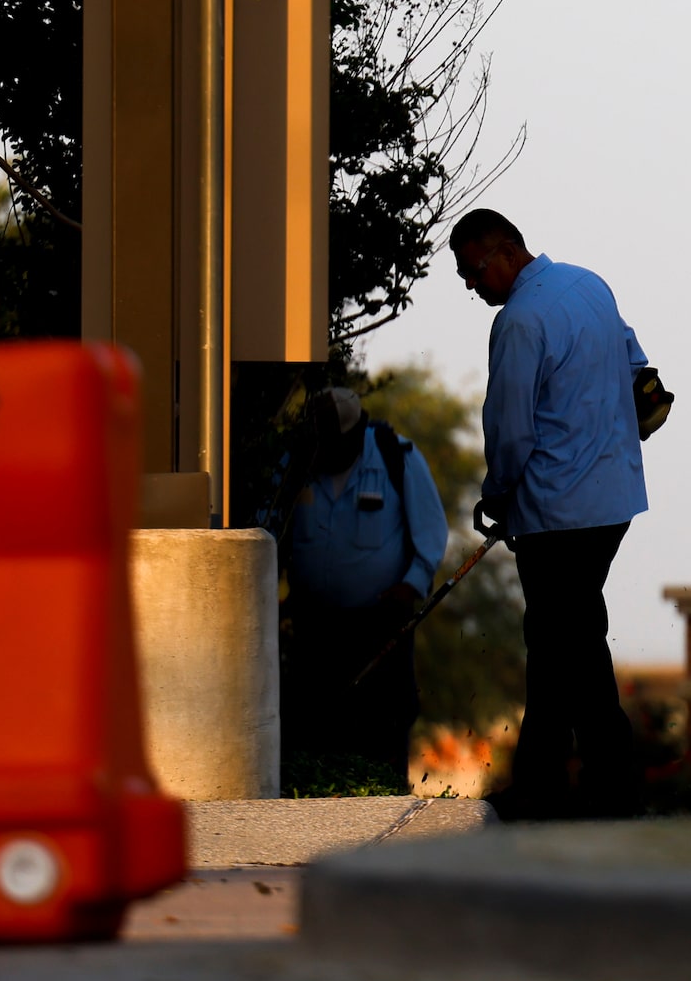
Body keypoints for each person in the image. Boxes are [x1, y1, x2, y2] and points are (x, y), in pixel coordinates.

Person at [454, 206, 652, 819]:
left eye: (471, 272)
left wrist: (496, 493)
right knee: (566, 637)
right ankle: (569, 781)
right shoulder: (591, 285)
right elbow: (639, 369)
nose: (471, 287)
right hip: (612, 500)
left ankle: (592, 785)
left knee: (565, 640)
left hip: (555, 510)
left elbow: (510, 430)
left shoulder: (519, 321)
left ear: (505, 252)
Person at [276, 385, 448, 792]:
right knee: (315, 724)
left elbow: (431, 532)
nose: (332, 452)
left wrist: (410, 587)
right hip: (313, 630)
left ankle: (386, 797)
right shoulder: (294, 463)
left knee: (382, 726)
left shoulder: (396, 455)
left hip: (379, 626)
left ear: (358, 433)